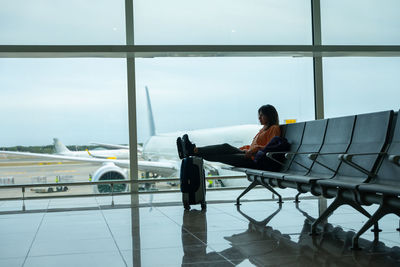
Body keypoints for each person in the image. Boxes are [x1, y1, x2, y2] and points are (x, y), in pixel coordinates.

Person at [176, 104, 281, 169]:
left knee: (222, 155)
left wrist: (254, 150)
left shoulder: (274, 129)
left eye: (262, 115)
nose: (259, 117)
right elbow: (256, 145)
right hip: (249, 154)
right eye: (259, 115)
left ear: (269, 115)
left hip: (256, 160)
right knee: (225, 147)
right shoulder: (263, 130)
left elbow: (271, 148)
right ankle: (192, 150)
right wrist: (244, 149)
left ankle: (191, 151)